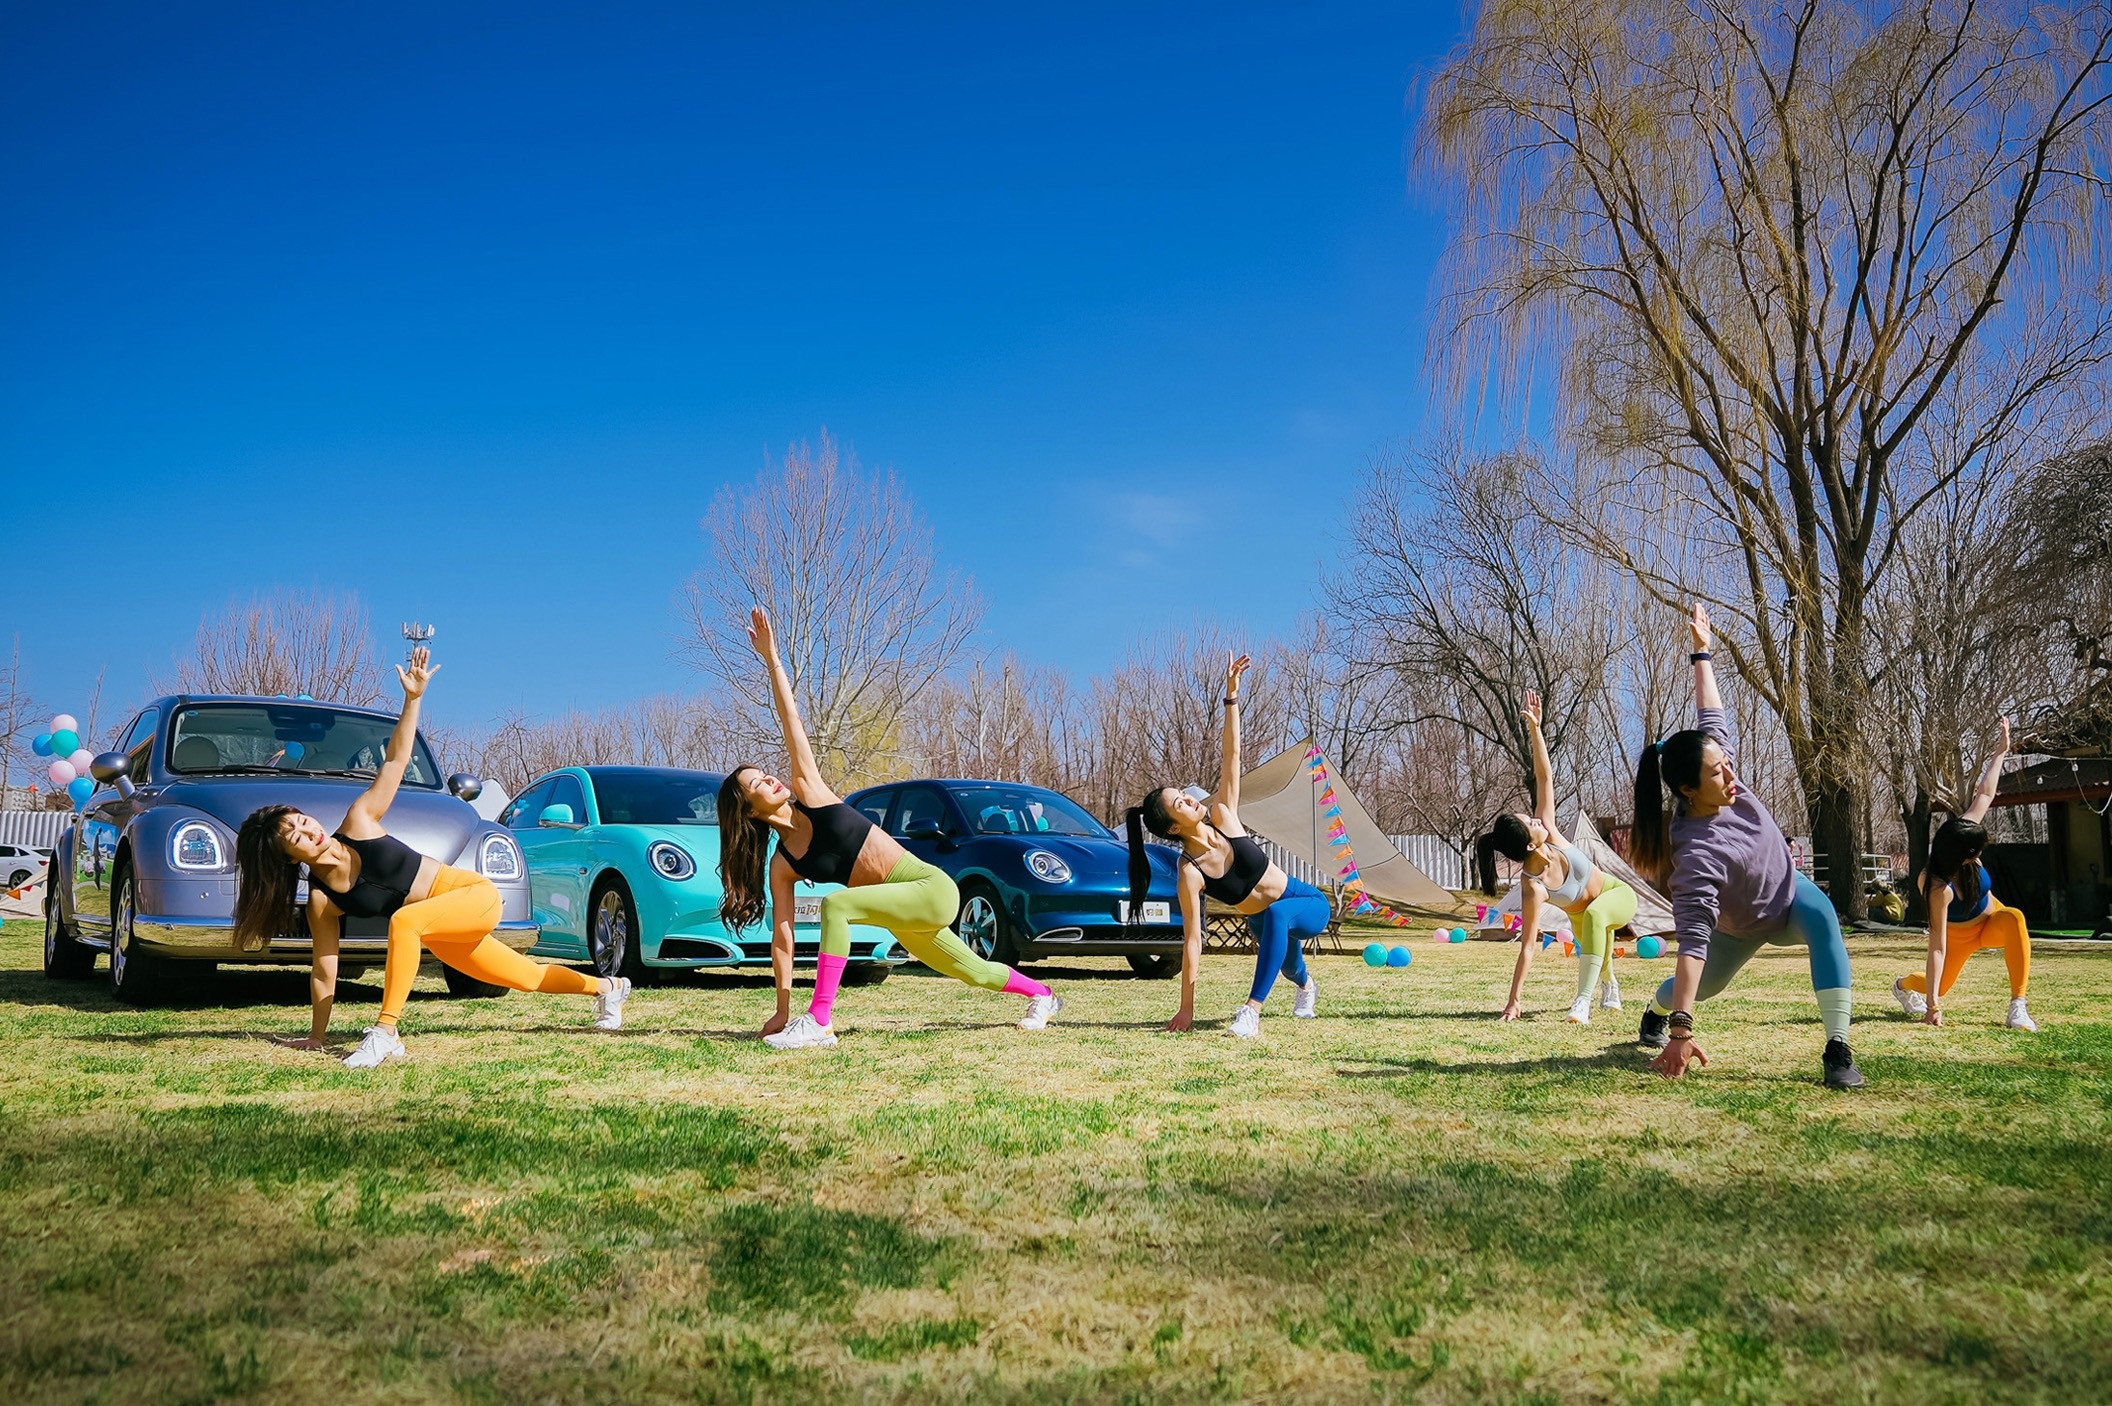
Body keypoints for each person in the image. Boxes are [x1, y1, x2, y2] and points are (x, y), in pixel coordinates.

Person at [233, 646, 628, 1070]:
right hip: (438, 926)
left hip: (471, 895)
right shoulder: (321, 900)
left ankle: (386, 1033)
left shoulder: (360, 821)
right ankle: (609, 988)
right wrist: (316, 1035)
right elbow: (324, 970)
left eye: (301, 820)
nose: (306, 830)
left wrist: (413, 698)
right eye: (293, 837)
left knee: (404, 921)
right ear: (290, 859)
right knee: (525, 977)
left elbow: (395, 761)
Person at [717, 608, 1061, 1049]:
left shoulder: (811, 792)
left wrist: (772, 659)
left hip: (928, 888)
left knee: (836, 904)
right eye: (757, 783)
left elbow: (792, 724)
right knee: (972, 970)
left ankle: (821, 1020)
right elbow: (782, 940)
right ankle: (1045, 996)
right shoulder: (783, 864)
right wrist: (781, 1009)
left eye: (765, 772)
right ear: (748, 810)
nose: (770, 777)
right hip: (902, 914)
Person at [1629, 605, 1865, 1089]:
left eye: (1726, 764)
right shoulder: (1694, 854)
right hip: (1738, 930)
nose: (1731, 775)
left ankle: (1838, 1049)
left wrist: (1702, 651)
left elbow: (1709, 710)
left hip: (1789, 892)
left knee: (1824, 921)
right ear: (1688, 790)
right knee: (1700, 987)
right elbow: (1693, 945)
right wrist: (1680, 1027)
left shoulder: (1717, 766)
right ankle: (1655, 1011)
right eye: (1718, 773)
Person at [1126, 652, 1327, 1038]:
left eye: (1184, 792)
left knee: (1280, 914)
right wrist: (1186, 1009)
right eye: (1180, 803)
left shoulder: (1223, 815)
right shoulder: (1190, 871)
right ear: (1171, 828)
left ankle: (1251, 1012)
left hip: (1306, 902)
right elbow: (1192, 940)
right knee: (1290, 968)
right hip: (1262, 919)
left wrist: (1231, 696)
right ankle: (1307, 987)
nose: (1189, 798)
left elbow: (1231, 756)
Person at [1479, 691, 1638, 1023]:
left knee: (1596, 916)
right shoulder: (1532, 886)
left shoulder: (1549, 830)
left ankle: (1581, 1003)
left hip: (1616, 895)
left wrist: (1536, 729)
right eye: (1530, 823)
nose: (1536, 819)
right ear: (1529, 847)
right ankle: (1610, 985)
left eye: (1530, 815)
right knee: (1596, 940)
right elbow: (1527, 946)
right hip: (1583, 919)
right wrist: (1514, 1001)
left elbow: (1544, 777)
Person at [1893, 718, 2036, 1031]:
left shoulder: (1962, 831)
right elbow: (1937, 946)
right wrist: (1933, 1004)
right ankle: (1902, 986)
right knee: (1941, 987)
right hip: (1958, 936)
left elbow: (1984, 795)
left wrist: (2000, 753)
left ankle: (2018, 1007)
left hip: (1990, 920)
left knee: (2014, 919)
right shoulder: (1936, 887)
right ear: (1965, 855)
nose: (1981, 853)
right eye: (1978, 851)